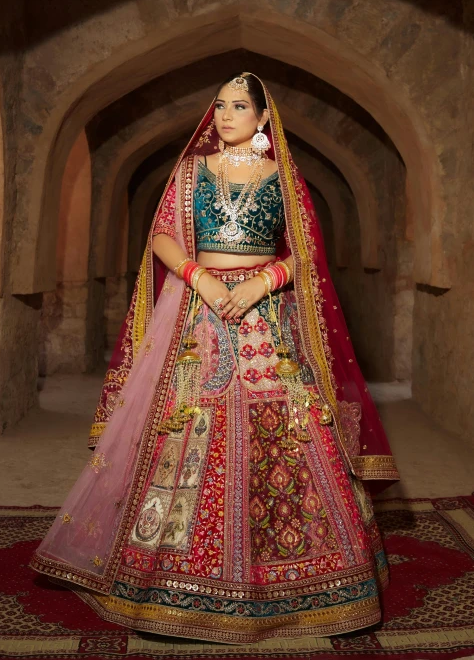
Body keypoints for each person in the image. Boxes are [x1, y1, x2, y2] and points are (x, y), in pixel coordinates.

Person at [30, 72, 399, 644]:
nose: (226, 114)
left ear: (262, 117)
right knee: (189, 427)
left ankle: (315, 580)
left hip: (264, 321)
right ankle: (175, 576)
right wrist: (201, 278)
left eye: (239, 106)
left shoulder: (285, 180)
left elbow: (308, 257)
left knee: (287, 430)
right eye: (220, 105)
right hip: (200, 314)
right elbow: (160, 237)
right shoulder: (189, 173)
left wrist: (263, 282)